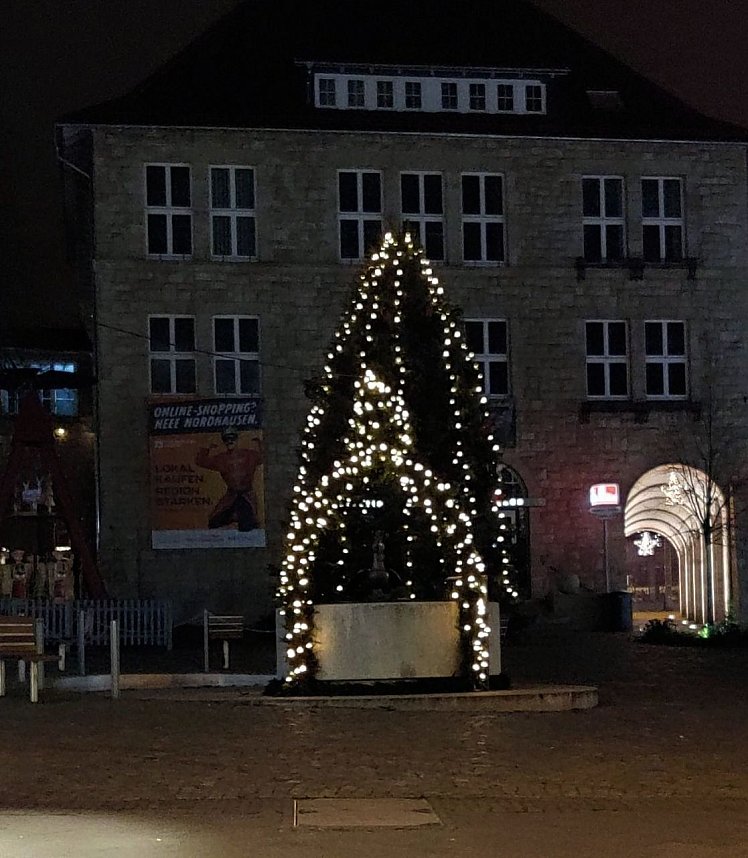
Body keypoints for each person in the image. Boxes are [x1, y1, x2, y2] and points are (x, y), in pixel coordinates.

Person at [195, 426, 263, 532]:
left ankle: (243, 517)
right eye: (226, 439)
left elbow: (263, 457)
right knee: (214, 522)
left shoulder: (250, 455)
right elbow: (200, 461)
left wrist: (260, 443)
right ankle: (234, 515)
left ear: (236, 439)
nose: (230, 441)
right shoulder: (221, 458)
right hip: (231, 496)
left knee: (247, 526)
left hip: (247, 496)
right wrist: (207, 448)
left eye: (232, 438)